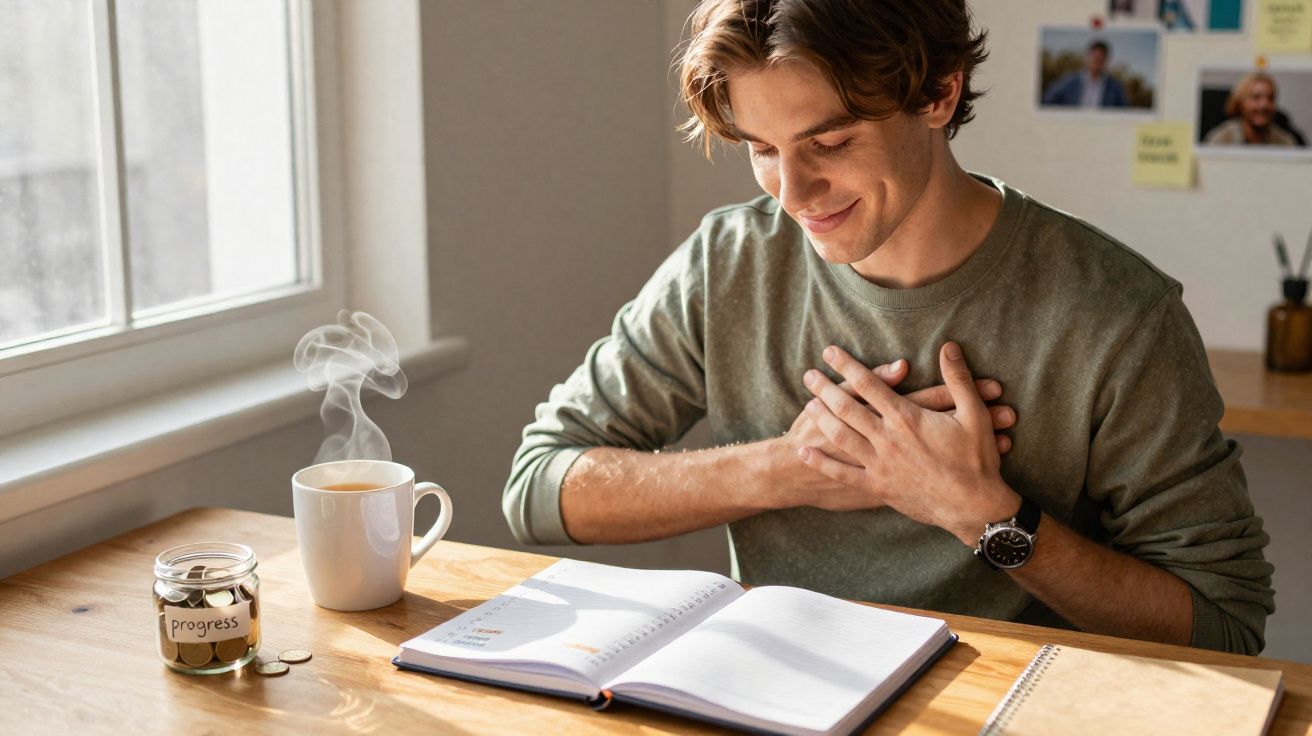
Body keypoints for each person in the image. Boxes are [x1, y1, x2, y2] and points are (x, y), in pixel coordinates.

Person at [504, 0, 1273, 654]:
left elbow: (1222, 626)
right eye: (762, 150)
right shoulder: (728, 262)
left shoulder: (1115, 313)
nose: (793, 194)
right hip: (775, 695)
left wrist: (984, 514)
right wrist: (788, 469)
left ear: (939, 94)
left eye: (830, 142)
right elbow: (539, 486)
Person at [1205, 72, 1300, 146]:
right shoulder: (1221, 140)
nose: (1264, 105)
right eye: (1256, 97)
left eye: (1270, 98)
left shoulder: (1285, 143)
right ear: (1240, 103)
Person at [1041, 40, 1129, 108]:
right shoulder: (1069, 81)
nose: (1097, 62)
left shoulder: (1115, 88)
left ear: (1106, 61)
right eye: (1095, 58)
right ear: (1087, 58)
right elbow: (1048, 100)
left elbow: (1123, 111)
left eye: (1101, 59)